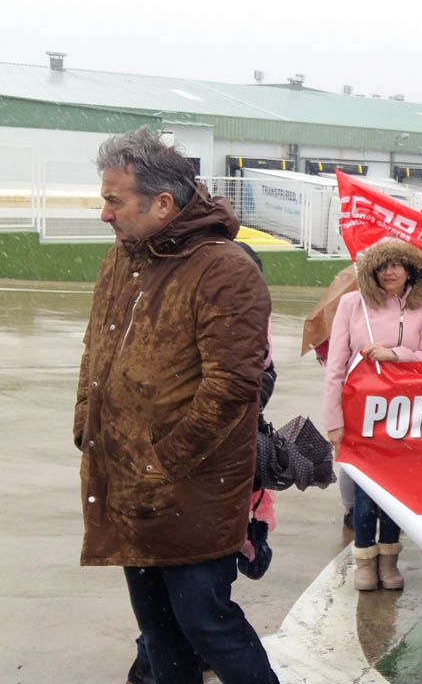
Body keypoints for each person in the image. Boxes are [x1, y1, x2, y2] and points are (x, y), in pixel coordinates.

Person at [76, 127, 278, 684]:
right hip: (127, 482)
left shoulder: (224, 269)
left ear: (163, 203)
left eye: (114, 200)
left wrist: (160, 461)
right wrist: (85, 427)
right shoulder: (123, 259)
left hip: (192, 488)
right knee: (158, 628)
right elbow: (98, 349)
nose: (105, 214)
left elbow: (233, 387)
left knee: (205, 622)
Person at [324, 239, 422, 592]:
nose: (389, 272)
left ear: (410, 270)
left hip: (403, 415)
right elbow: (335, 367)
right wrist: (334, 421)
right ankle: (364, 559)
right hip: (359, 414)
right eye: (382, 266)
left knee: (394, 492)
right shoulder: (350, 304)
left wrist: (396, 354)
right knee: (364, 491)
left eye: (396, 265)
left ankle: (390, 560)